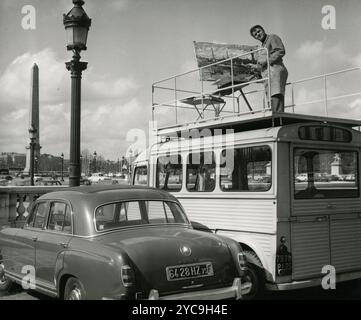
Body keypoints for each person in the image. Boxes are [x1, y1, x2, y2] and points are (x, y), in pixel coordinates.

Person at [250, 25, 288, 112]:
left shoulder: (272, 37)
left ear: (263, 30)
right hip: (268, 74)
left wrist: (267, 61)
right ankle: (274, 117)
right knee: (270, 99)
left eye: (258, 31)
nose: (258, 34)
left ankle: (278, 117)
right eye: (255, 34)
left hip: (275, 70)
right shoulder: (262, 46)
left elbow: (280, 51)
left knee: (276, 94)